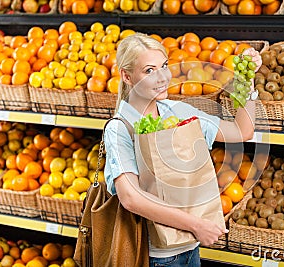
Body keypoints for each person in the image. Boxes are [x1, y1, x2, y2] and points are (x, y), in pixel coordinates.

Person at [103, 32, 262, 267]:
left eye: (164, 66)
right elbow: (131, 198)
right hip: (154, 255)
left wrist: (247, 82)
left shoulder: (177, 111)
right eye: (149, 71)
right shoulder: (120, 128)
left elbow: (241, 131)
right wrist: (197, 225)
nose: (162, 77)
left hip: (190, 246)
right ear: (127, 76)